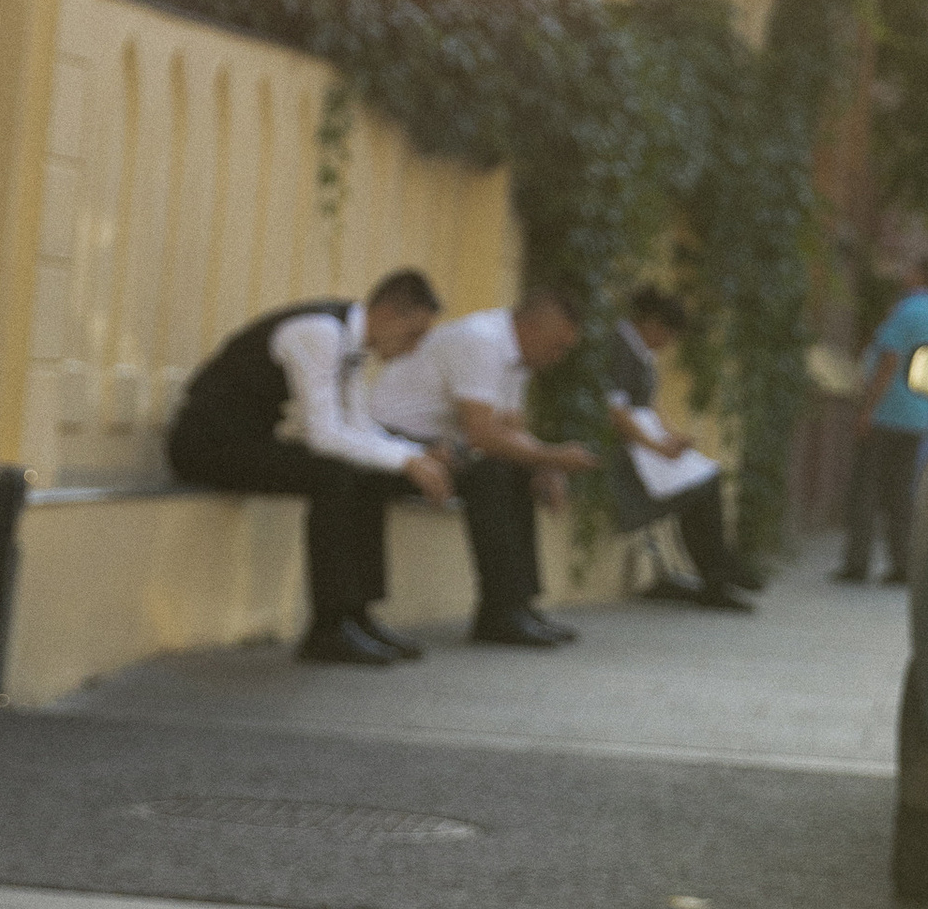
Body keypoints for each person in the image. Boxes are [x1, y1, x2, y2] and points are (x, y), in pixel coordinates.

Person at [166, 269, 448, 665]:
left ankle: (356, 615)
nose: (412, 347)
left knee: (368, 474)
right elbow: (325, 436)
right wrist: (408, 459)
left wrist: (414, 455)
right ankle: (328, 629)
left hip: (248, 443)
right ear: (386, 313)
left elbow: (358, 428)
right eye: (412, 334)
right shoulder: (319, 333)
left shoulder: (349, 343)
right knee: (333, 475)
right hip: (205, 448)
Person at [368, 288, 599, 648]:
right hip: (391, 443)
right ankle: (500, 612)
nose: (560, 357)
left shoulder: (515, 356)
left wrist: (545, 467)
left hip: (438, 449)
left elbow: (511, 429)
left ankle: (517, 603)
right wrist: (553, 457)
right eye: (558, 346)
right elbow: (481, 434)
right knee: (489, 473)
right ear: (532, 328)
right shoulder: (482, 341)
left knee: (518, 470)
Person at [605, 285, 760, 608]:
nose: (667, 344)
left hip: (647, 444)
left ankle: (718, 570)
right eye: (667, 334)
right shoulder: (620, 347)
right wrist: (657, 447)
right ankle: (718, 570)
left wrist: (671, 436)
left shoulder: (641, 353)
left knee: (705, 479)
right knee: (700, 488)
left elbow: (651, 402)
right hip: (633, 449)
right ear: (651, 324)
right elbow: (617, 412)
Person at [836, 258, 928, 585]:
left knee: (866, 489)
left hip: (888, 411)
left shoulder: (907, 310)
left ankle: (857, 563)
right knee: (901, 494)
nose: (904, 273)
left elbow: (889, 359)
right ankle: (902, 564)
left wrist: (867, 409)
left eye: (910, 269)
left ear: (921, 276)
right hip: (919, 413)